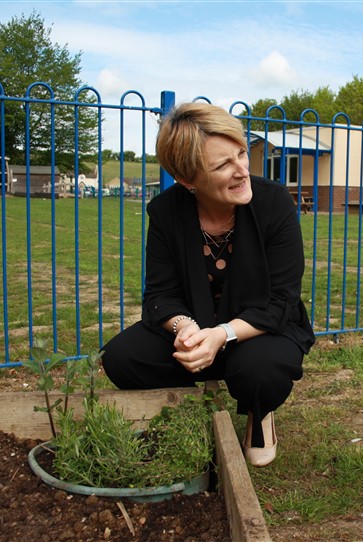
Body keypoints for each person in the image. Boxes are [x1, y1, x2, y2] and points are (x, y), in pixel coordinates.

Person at [101, 102, 315, 467]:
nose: (241, 171)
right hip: (199, 324)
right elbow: (160, 295)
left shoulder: (274, 203)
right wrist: (186, 329)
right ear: (188, 180)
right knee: (122, 358)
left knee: (261, 370)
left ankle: (258, 410)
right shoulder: (166, 213)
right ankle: (191, 412)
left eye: (241, 154)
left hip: (261, 328)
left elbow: (281, 301)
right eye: (222, 165)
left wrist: (222, 334)